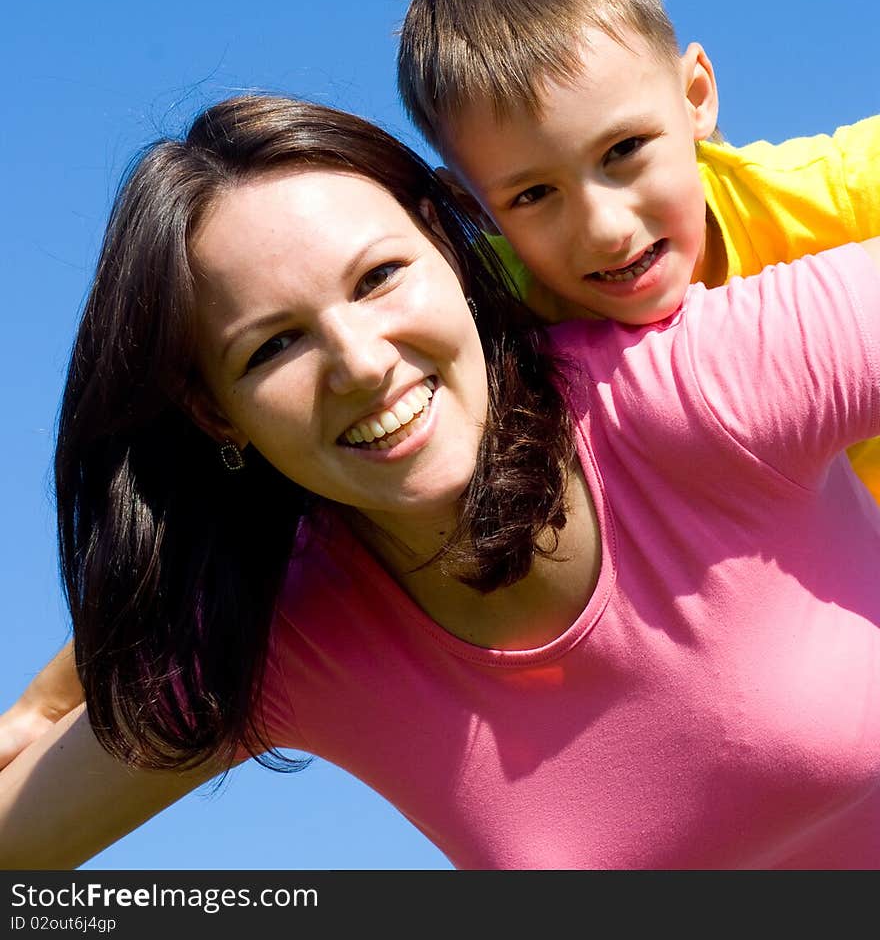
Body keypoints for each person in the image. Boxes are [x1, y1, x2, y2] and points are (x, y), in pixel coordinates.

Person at [2, 92, 880, 871]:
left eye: (379, 278)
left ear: (456, 253)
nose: (359, 362)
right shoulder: (291, 638)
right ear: (216, 412)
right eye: (273, 345)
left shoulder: (699, 386)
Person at [396, 0, 880, 501]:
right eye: (533, 195)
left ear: (695, 97)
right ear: (472, 208)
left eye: (623, 150)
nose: (606, 229)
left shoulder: (836, 194)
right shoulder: (485, 312)